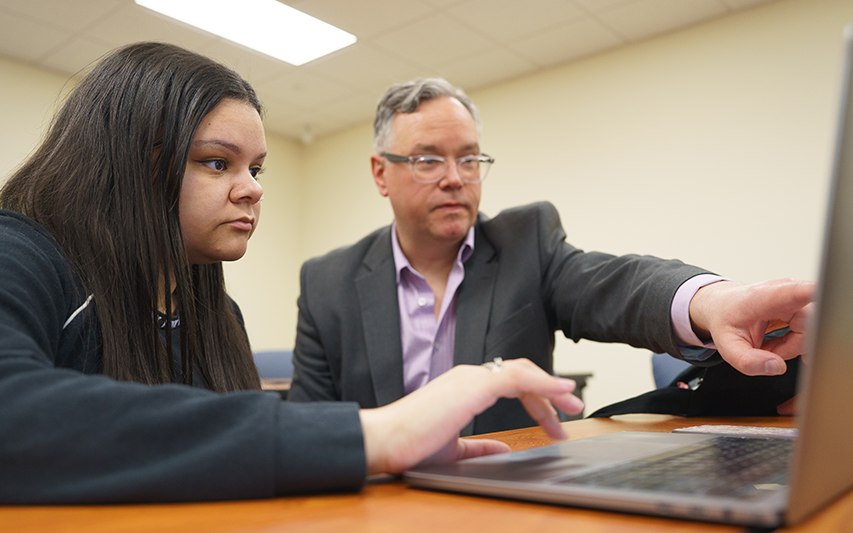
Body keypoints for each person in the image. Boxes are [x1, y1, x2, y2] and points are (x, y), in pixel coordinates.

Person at [0, 43, 585, 504]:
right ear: (131, 163)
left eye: (255, 167)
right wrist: (378, 435)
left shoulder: (215, 312)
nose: (253, 189)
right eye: (215, 162)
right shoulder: (21, 253)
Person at [288, 78, 814, 434]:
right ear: (381, 173)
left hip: (506, 497)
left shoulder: (525, 242)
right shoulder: (326, 282)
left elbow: (611, 285)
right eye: (428, 159)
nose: (454, 178)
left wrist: (713, 301)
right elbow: (309, 430)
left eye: (470, 158)